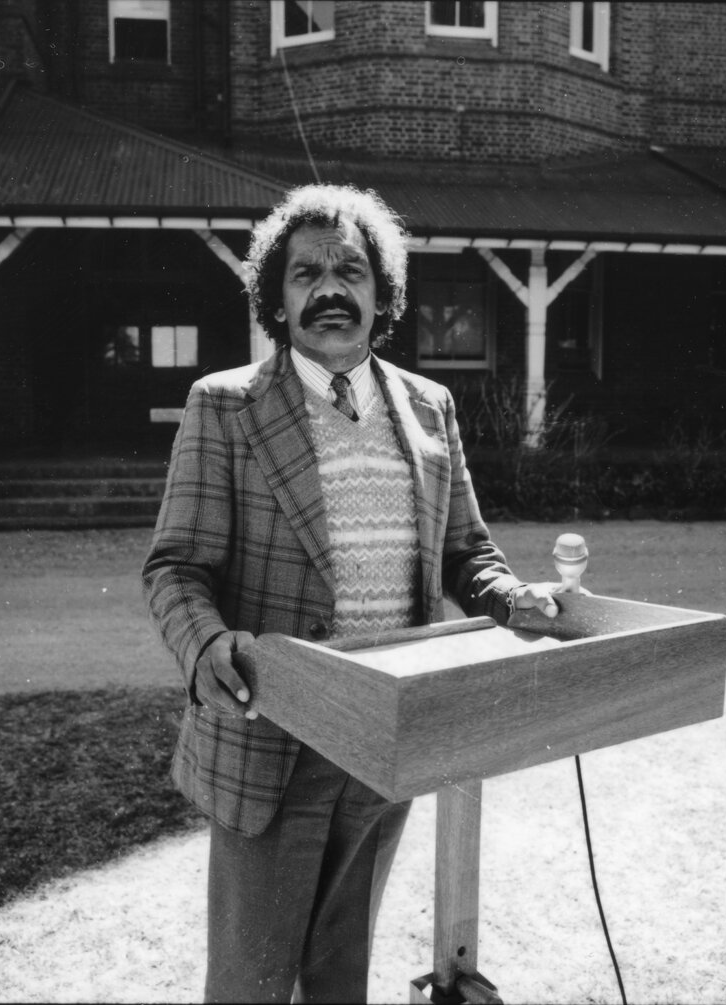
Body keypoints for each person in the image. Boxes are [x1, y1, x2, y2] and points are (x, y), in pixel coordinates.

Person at [142, 184, 561, 1004]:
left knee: (339, 977)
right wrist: (207, 644)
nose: (330, 289)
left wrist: (511, 596)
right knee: (250, 985)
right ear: (277, 296)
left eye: (351, 270)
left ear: (383, 293)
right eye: (305, 274)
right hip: (271, 739)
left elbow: (465, 549)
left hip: (383, 742)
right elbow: (175, 568)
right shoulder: (224, 407)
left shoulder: (429, 407)